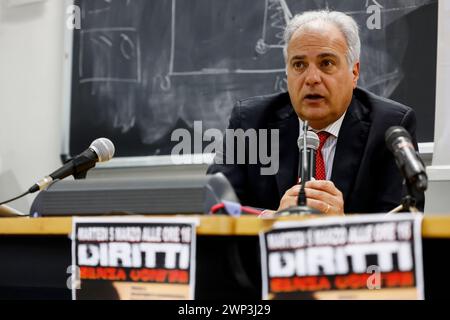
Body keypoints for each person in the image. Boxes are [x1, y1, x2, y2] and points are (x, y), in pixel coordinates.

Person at [207, 10, 425, 215]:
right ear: (287, 73)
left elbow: (401, 224)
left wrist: (343, 226)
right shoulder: (250, 123)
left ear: (354, 72)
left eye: (326, 63)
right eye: (299, 65)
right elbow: (216, 208)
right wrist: (270, 220)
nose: (311, 78)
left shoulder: (390, 127)